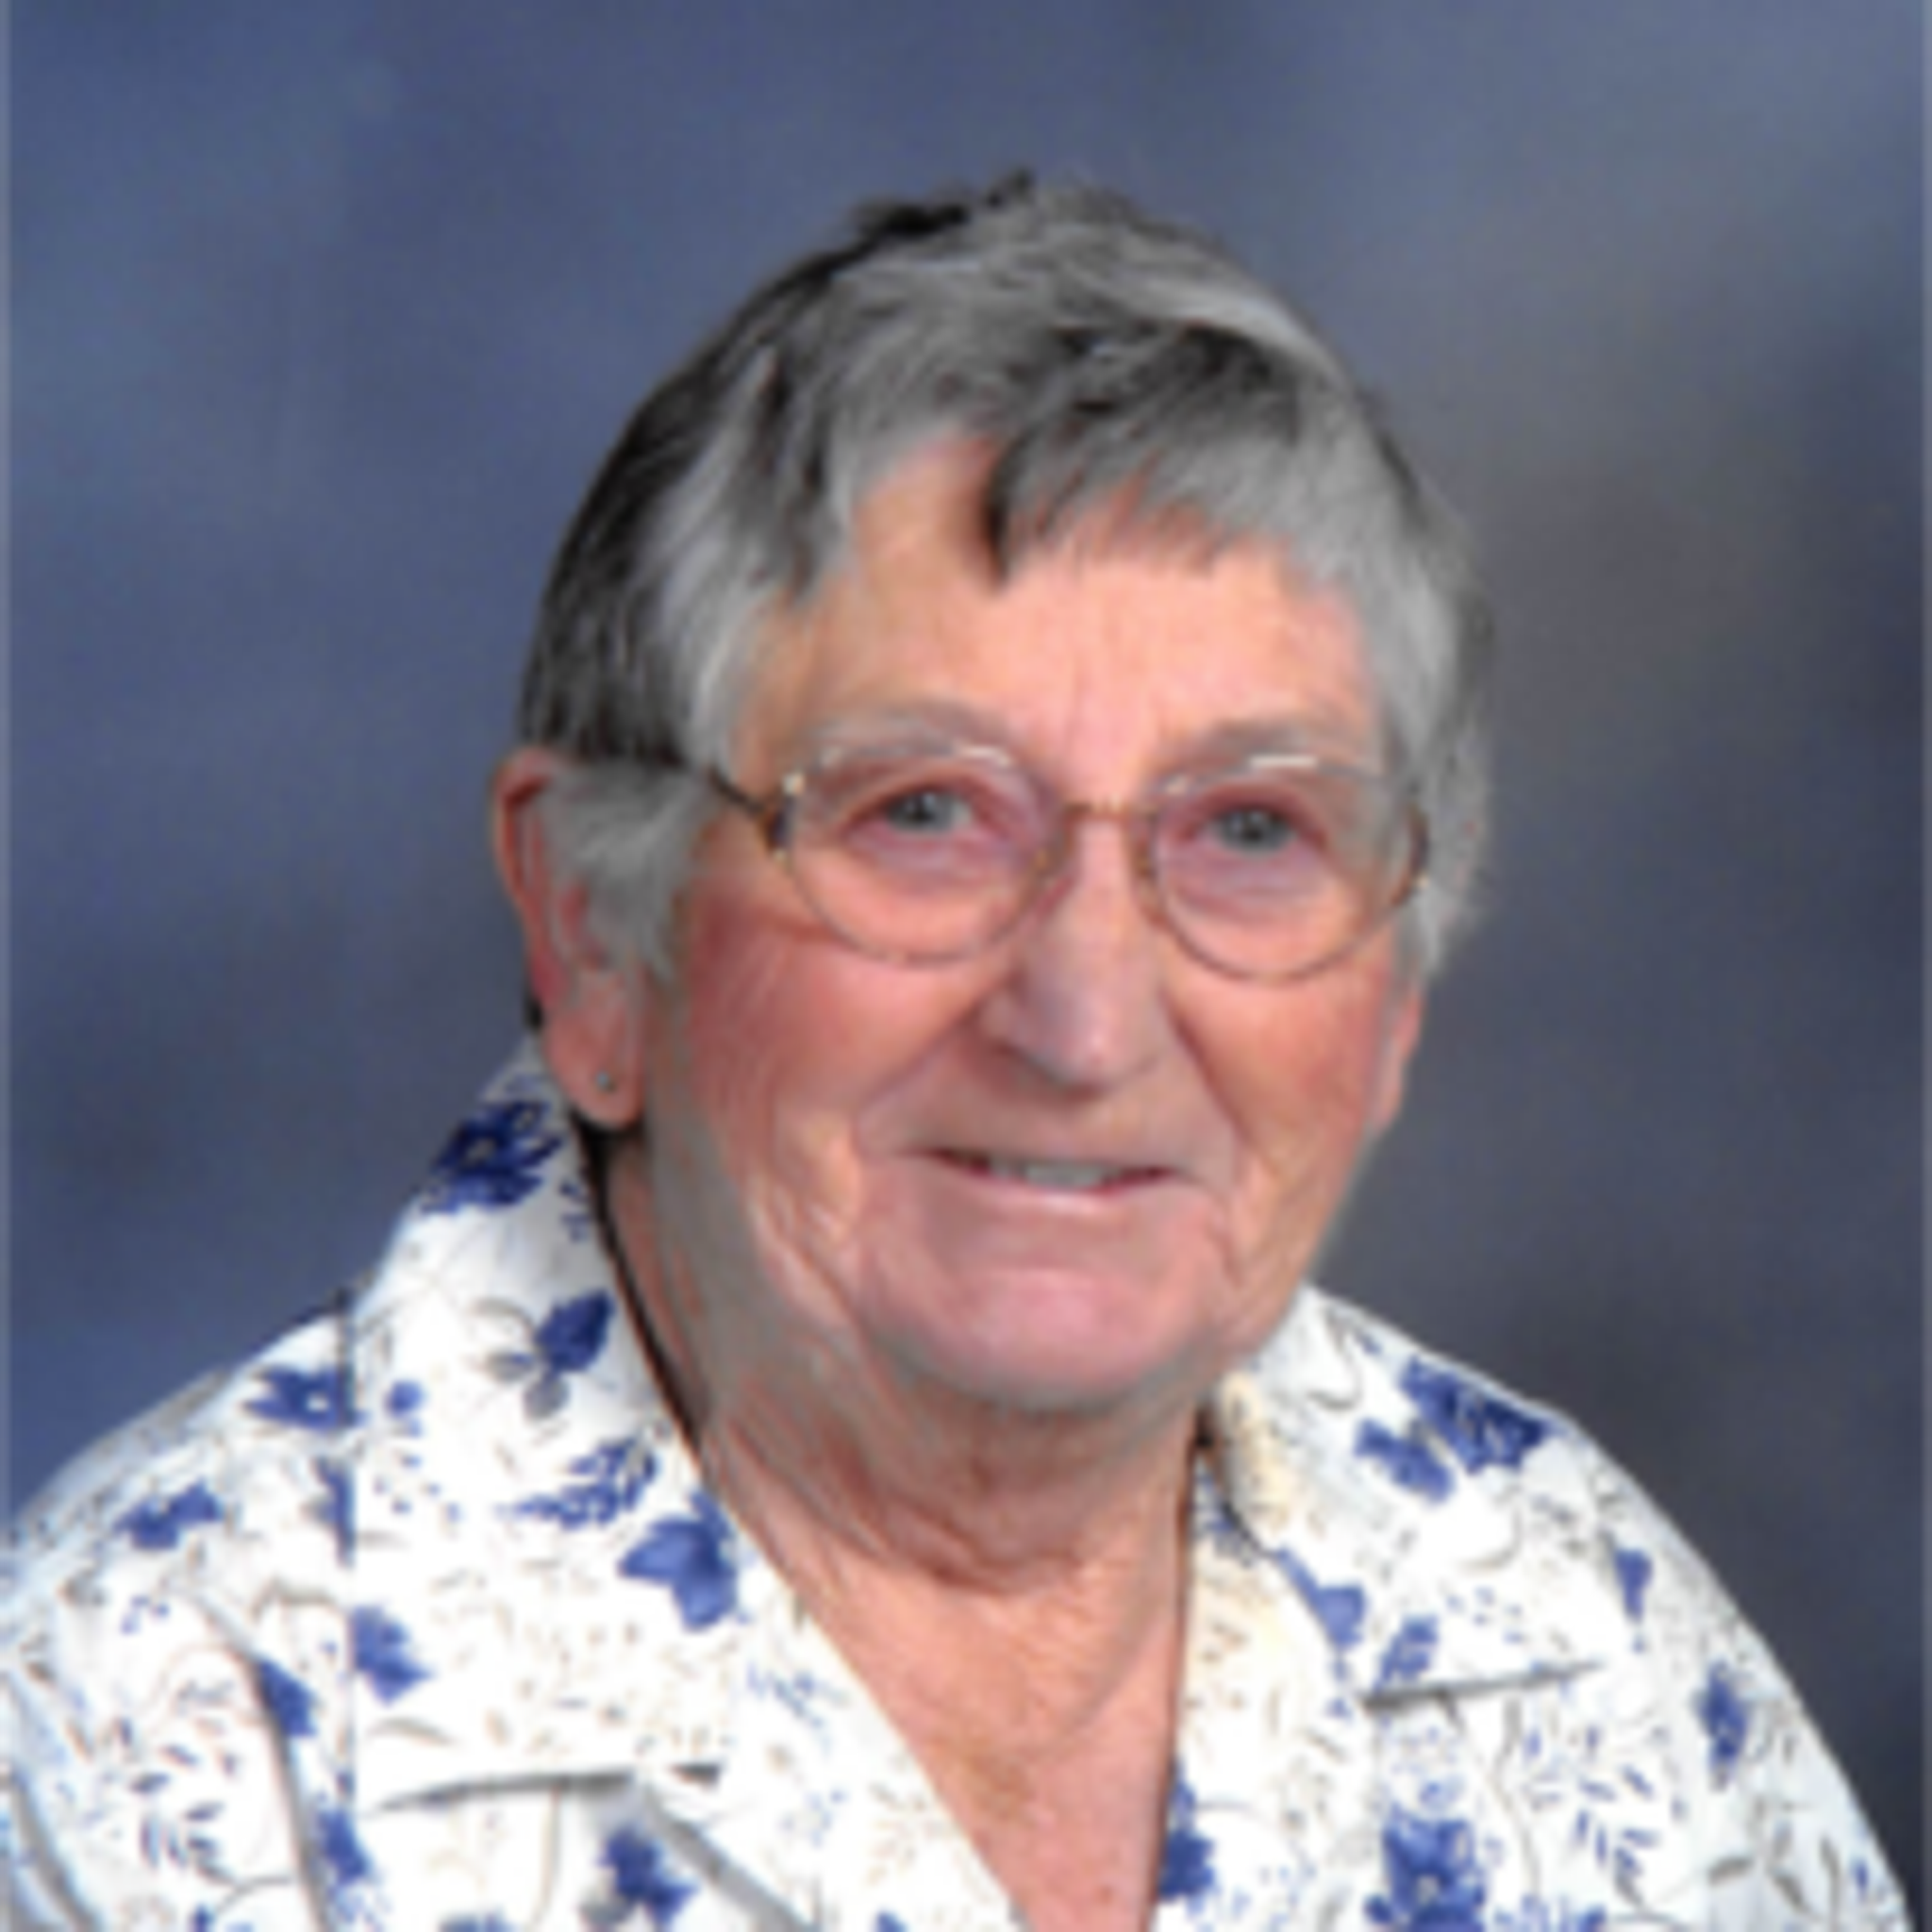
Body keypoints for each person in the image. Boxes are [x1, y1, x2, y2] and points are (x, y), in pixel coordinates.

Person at [0, 177, 1907, 1931]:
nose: (1085, 1020)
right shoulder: (137, 1739)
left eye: (1250, 830)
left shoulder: (1570, 1616)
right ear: (594, 930)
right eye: (923, 813)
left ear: (1394, 993)